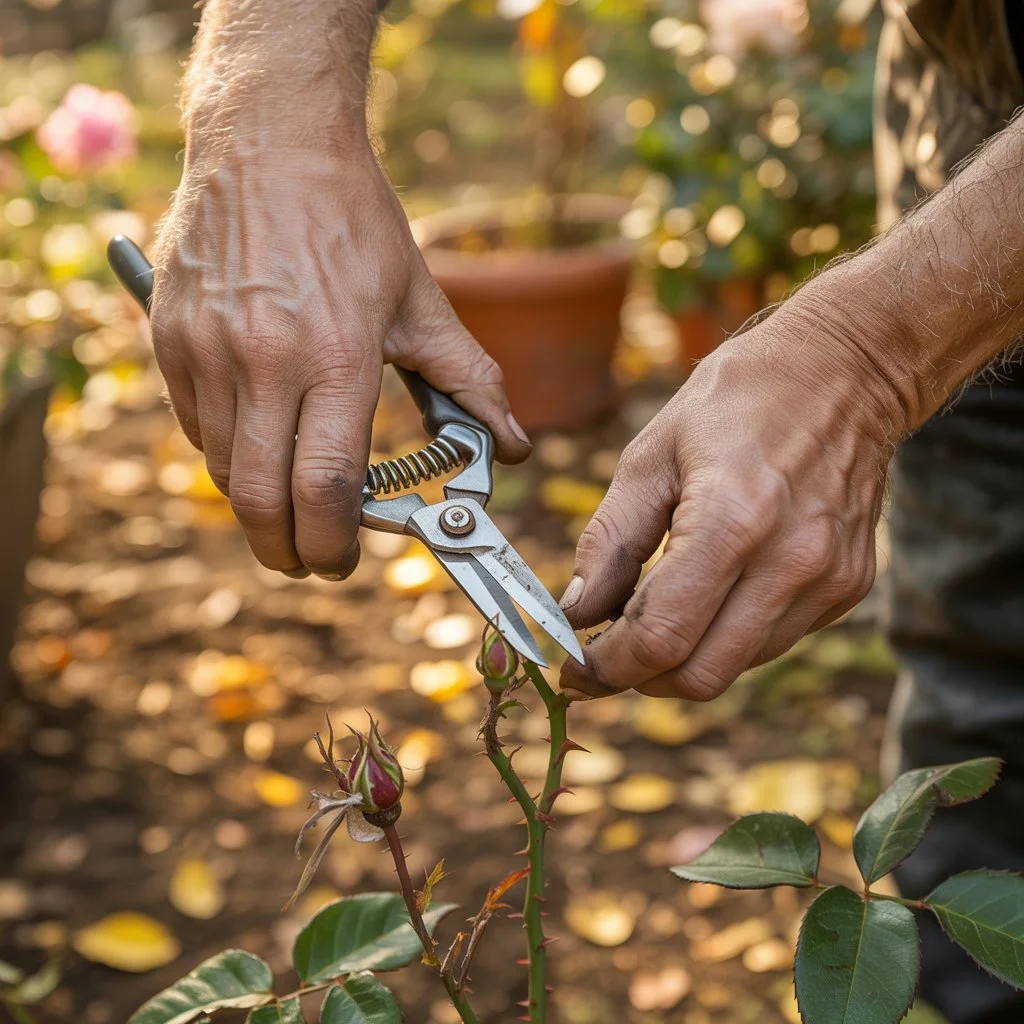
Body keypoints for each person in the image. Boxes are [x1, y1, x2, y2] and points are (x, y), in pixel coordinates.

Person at [151, 0, 1022, 1020]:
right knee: (985, 687)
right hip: (973, 112)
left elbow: (875, 353)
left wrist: (873, 353)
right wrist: (260, 101)